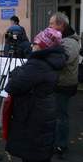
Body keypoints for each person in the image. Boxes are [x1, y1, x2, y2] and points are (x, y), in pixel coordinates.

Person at [5, 27, 66, 162]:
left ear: (43, 46)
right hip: (44, 111)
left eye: (36, 42)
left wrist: (16, 72)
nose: (32, 45)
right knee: (41, 151)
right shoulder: (52, 61)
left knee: (33, 154)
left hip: (33, 116)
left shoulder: (37, 64)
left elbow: (11, 87)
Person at [48, 12, 80, 156]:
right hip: (58, 83)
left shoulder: (71, 42)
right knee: (56, 114)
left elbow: (61, 61)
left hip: (64, 85)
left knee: (61, 116)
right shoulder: (61, 39)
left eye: (51, 24)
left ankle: (61, 145)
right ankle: (55, 140)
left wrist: (44, 53)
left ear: (61, 25)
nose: (49, 26)